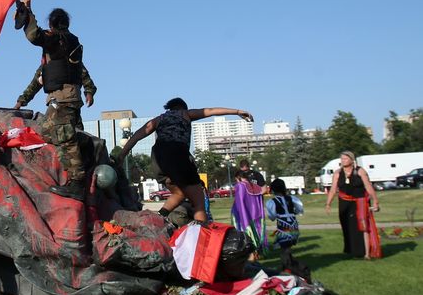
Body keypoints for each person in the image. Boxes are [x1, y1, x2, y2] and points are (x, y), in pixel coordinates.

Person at [117, 98, 253, 224]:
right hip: (177, 155)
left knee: (179, 193)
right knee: (199, 202)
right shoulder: (185, 114)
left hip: (158, 159)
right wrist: (237, 111)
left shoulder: (158, 119)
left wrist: (122, 156)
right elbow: (210, 111)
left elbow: (136, 137)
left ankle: (159, 218)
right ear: (183, 108)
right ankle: (202, 236)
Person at [16, 0, 91, 200]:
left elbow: (34, 35)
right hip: (67, 97)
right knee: (51, 132)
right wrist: (23, 100)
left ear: (52, 24)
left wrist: (27, 12)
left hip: (63, 98)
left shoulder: (59, 40)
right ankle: (86, 154)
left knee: (64, 136)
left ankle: (77, 182)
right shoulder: (67, 45)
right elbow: (40, 77)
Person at [325, 151, 381, 259]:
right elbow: (333, 190)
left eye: (345, 159)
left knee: (361, 226)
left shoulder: (360, 171)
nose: (343, 161)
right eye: (341, 159)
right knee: (347, 226)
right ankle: (352, 250)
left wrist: (375, 200)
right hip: (344, 202)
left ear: (352, 160)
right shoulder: (337, 173)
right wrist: (328, 203)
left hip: (359, 201)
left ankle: (365, 252)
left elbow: (368, 186)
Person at [265, 178, 303, 269]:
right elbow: (300, 210)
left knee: (284, 249)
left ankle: (287, 267)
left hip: (283, 226)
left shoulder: (272, 202)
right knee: (288, 247)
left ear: (273, 189)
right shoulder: (292, 198)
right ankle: (289, 265)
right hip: (293, 225)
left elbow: (272, 217)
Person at [232, 169, 268, 254]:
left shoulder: (240, 186)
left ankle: (251, 253)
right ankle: (259, 250)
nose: (236, 182)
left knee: (248, 234)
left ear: (239, 177)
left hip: (245, 214)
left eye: (236, 180)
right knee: (257, 231)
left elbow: (240, 202)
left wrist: (240, 215)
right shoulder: (256, 186)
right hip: (257, 214)